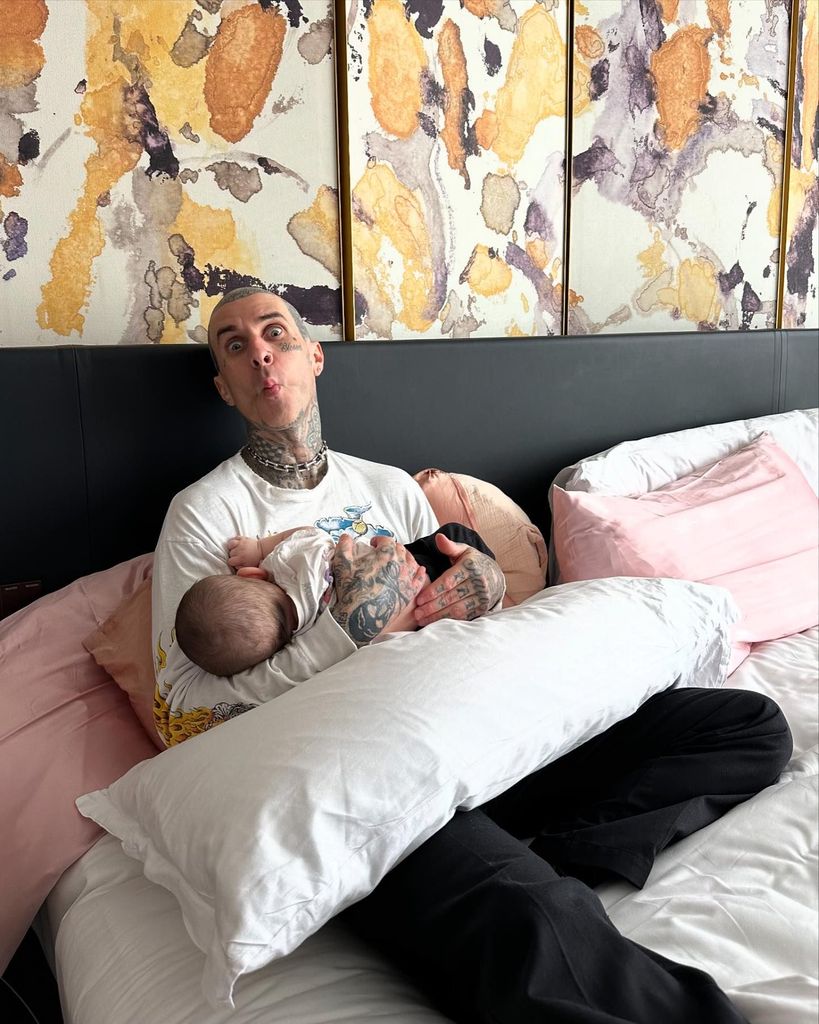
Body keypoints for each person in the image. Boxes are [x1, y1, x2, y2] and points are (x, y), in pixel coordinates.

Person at [151, 286, 792, 1024]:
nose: (260, 351)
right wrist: (348, 635)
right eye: (234, 345)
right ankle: (518, 889)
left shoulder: (389, 488)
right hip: (369, 774)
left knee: (745, 728)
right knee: (532, 921)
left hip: (478, 730)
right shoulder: (207, 513)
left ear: (314, 356)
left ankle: (551, 850)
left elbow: (455, 599)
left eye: (276, 333)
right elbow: (183, 720)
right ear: (222, 385)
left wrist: (482, 589)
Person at [174, 522, 494, 677]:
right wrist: (259, 548)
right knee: (456, 535)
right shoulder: (287, 560)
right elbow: (307, 533)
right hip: (410, 569)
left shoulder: (301, 639)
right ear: (251, 575)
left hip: (418, 612)